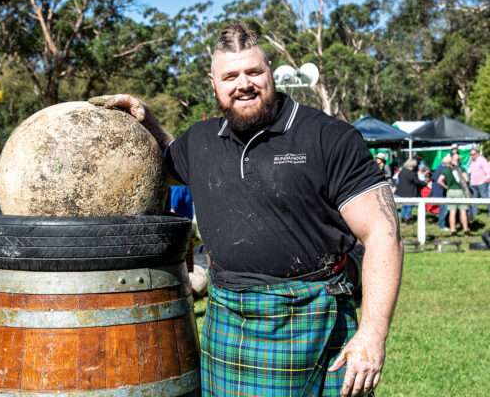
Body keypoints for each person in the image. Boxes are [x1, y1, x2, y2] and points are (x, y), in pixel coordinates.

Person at [92, 22, 402, 397]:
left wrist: (372, 334)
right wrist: (146, 119)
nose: (244, 84)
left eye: (253, 71)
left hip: (316, 314)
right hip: (230, 316)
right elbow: (163, 160)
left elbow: (382, 233)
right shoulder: (200, 141)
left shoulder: (327, 136)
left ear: (270, 71)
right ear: (214, 83)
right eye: (230, 76)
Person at [438, 153, 470, 236]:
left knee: (452, 212)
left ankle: (452, 230)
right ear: (459, 160)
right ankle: (465, 229)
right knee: (463, 211)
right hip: (460, 191)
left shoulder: (446, 169)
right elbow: (466, 180)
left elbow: (439, 181)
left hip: (451, 191)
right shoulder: (461, 169)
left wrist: (447, 187)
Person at [395, 159, 426, 223]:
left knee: (404, 205)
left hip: (402, 191)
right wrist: (424, 183)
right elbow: (417, 181)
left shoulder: (402, 171)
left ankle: (402, 218)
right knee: (409, 205)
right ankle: (408, 218)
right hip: (410, 192)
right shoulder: (411, 173)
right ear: (412, 165)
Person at [468, 147, 490, 217]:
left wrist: (488, 178)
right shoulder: (471, 161)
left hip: (482, 182)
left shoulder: (482, 160)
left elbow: (488, 170)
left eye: (473, 154)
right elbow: (470, 171)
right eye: (471, 154)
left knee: (485, 197)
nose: (472, 156)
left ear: (477, 153)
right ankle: (474, 213)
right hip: (473, 183)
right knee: (474, 199)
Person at [432, 155, 452, 231]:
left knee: (442, 209)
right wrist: (447, 187)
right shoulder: (444, 169)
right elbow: (443, 181)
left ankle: (441, 223)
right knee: (444, 209)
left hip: (436, 190)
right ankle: (442, 225)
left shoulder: (438, 167)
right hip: (441, 191)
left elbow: (433, 177)